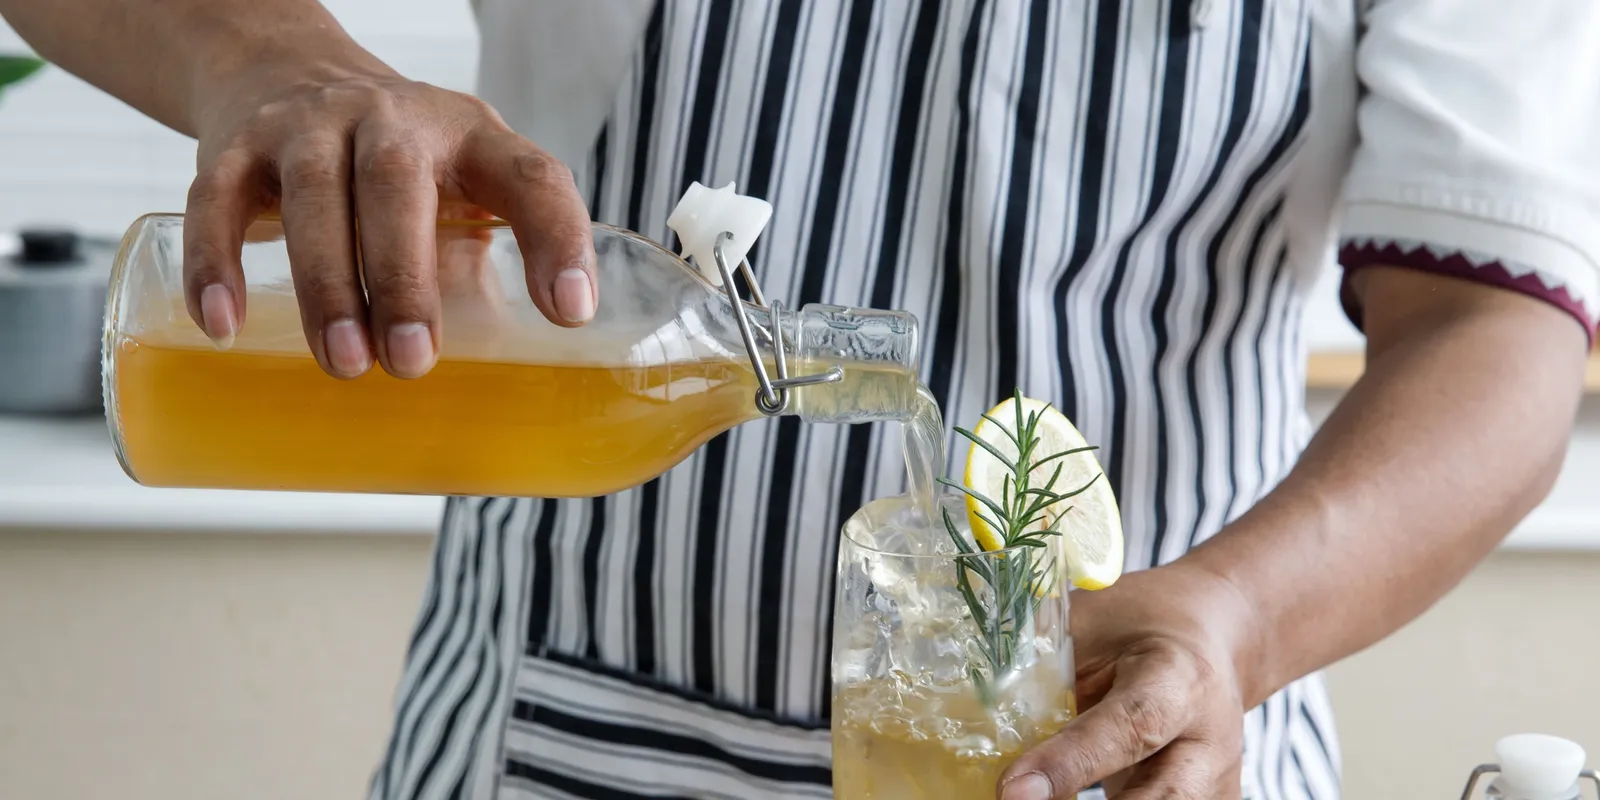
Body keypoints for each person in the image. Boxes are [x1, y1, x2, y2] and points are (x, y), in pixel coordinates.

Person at [7, 0, 1598, 797]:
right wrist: (269, 60)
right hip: (557, 745)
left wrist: (1235, 623)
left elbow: (1495, 320)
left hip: (1136, 748)